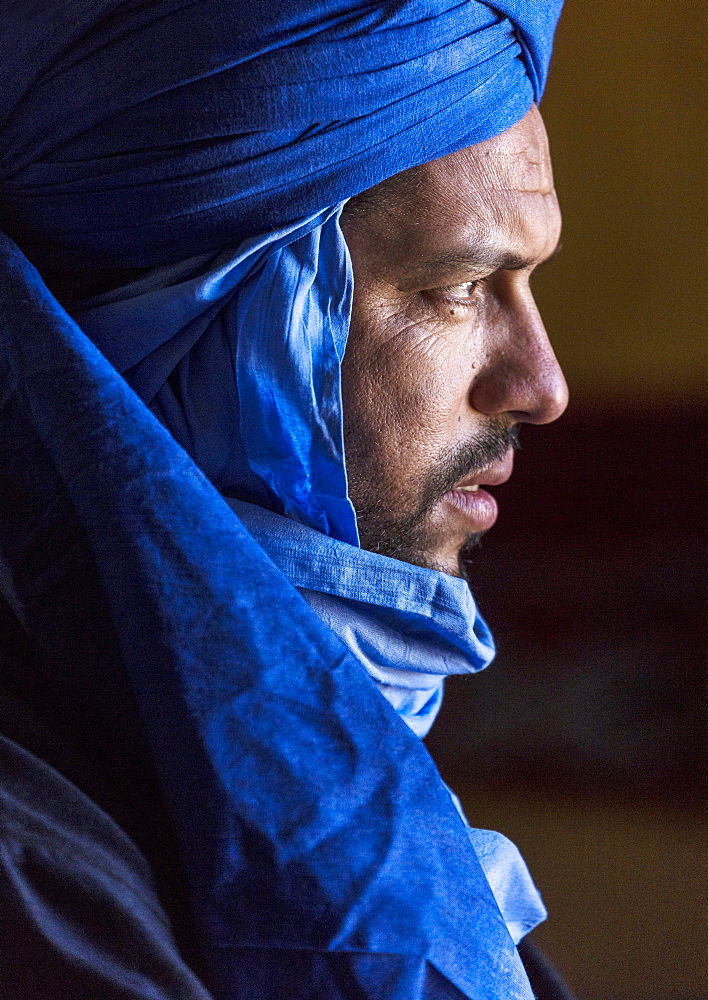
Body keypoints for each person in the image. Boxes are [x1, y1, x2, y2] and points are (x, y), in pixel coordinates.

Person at [0, 2, 574, 997]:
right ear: (219, 323)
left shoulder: (408, 844)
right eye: (459, 285)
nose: (541, 382)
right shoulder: (36, 885)